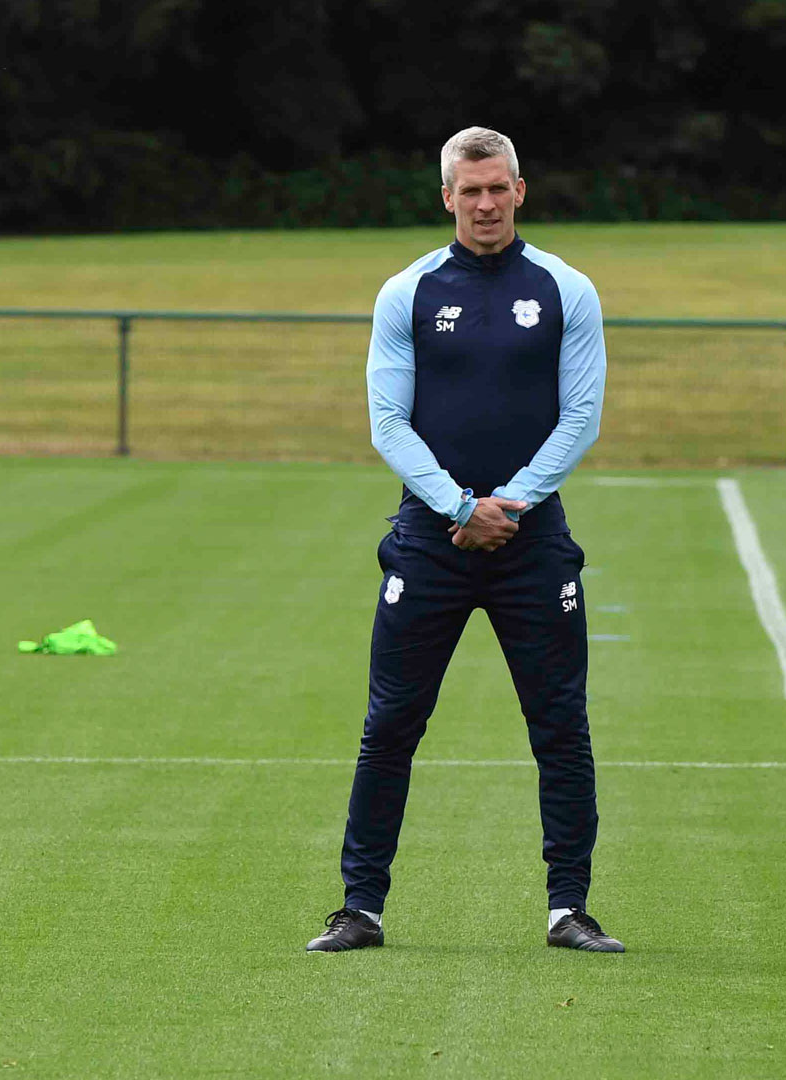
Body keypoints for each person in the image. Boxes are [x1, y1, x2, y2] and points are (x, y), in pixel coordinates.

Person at [306, 126, 621, 954]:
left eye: (498, 188)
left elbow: (580, 414)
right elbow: (388, 421)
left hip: (532, 538)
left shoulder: (566, 290)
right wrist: (457, 505)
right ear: (446, 197)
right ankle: (360, 907)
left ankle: (569, 907)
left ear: (521, 189)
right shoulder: (405, 292)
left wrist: (508, 503)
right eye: (469, 190)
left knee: (560, 725)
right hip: (429, 537)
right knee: (391, 725)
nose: (485, 204)